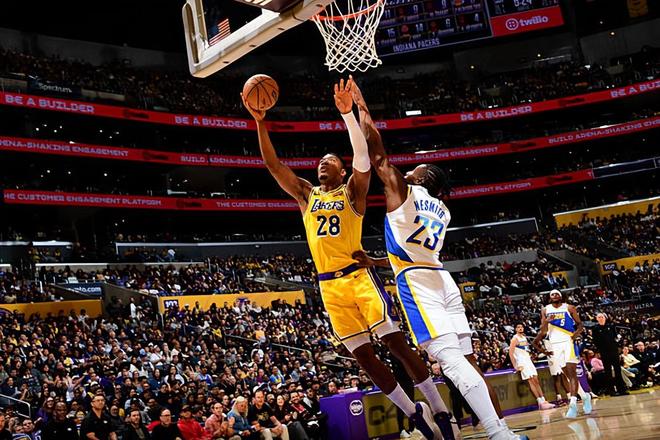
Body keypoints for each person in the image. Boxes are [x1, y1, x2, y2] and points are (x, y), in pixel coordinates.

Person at [242, 78, 445, 439]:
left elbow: (363, 161)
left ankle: (439, 407)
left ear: (341, 171)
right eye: (321, 161)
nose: (323, 163)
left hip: (357, 277)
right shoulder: (306, 194)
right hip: (329, 287)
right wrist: (260, 122)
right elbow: (273, 166)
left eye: (331, 161)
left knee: (394, 344)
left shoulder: (352, 192)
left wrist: (348, 115)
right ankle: (412, 412)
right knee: (363, 357)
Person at [349, 78, 526, 440]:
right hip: (441, 278)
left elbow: (378, 155)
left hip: (419, 285)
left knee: (451, 363)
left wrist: (361, 107)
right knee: (469, 362)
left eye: (417, 168)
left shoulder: (404, 191)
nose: (409, 170)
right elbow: (414, 250)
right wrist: (377, 261)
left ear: (424, 177)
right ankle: (502, 429)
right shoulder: (442, 210)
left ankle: (498, 435)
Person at [533, 289, 592, 418]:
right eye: (552, 294)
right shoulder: (545, 310)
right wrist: (546, 321)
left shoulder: (569, 308)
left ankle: (573, 404)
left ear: (561, 296)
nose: (554, 296)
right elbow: (543, 330)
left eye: (556, 294)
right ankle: (585, 396)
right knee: (568, 375)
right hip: (555, 345)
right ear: (549, 298)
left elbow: (580, 325)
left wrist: (575, 335)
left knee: (572, 374)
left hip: (568, 342)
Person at [508, 324, 555, 410]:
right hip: (521, 362)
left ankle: (544, 400)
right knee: (531, 380)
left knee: (536, 380)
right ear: (515, 329)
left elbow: (525, 350)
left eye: (521, 327)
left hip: (528, 360)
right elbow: (511, 353)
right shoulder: (514, 339)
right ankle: (540, 402)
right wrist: (515, 365)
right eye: (518, 327)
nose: (520, 328)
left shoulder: (524, 337)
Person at [591, 313, 628, 395]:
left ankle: (621, 389)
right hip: (604, 352)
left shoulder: (611, 326)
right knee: (608, 371)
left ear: (605, 318)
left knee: (618, 370)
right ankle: (611, 391)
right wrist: (600, 349)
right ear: (597, 319)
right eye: (599, 317)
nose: (601, 318)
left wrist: (618, 346)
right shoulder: (595, 328)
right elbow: (595, 341)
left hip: (613, 351)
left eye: (602, 317)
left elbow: (616, 337)